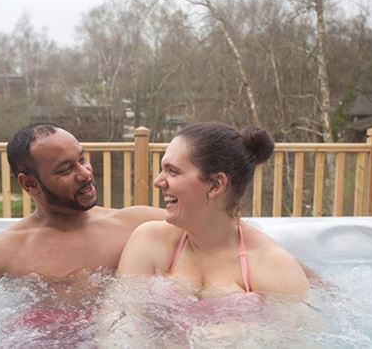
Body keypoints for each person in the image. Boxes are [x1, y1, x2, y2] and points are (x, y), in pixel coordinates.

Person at [117, 122, 310, 298]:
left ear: (216, 184)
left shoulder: (274, 267)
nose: (157, 181)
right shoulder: (149, 241)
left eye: (172, 171)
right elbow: (120, 322)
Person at [0, 123, 164, 280]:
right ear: (30, 183)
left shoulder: (138, 223)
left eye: (82, 159)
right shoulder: (2, 254)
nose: (85, 173)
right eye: (66, 169)